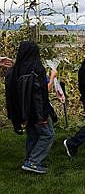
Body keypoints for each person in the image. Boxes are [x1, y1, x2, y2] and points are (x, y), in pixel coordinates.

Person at [5, 41, 56, 174]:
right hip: (37, 111)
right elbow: (43, 92)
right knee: (48, 134)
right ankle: (34, 161)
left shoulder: (14, 71)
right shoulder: (37, 70)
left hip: (24, 111)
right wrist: (52, 77)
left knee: (32, 134)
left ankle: (28, 159)